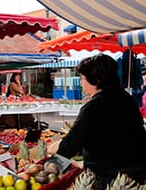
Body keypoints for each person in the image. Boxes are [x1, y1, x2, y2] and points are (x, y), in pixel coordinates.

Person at [56, 54, 146, 189]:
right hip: (137, 175)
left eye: (82, 79)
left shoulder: (92, 107)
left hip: (107, 178)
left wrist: (53, 163)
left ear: (96, 80)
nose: (81, 83)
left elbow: (71, 144)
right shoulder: (127, 99)